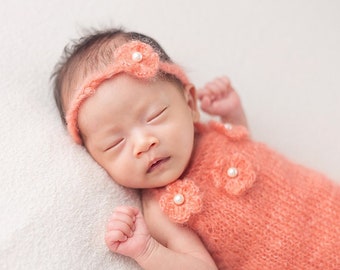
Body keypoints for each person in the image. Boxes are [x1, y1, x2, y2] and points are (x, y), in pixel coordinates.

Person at [52, 28, 340, 270]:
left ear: (190, 105)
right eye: (115, 143)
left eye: (154, 116)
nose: (143, 144)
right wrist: (147, 251)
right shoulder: (159, 209)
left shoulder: (210, 134)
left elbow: (248, 156)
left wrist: (233, 116)